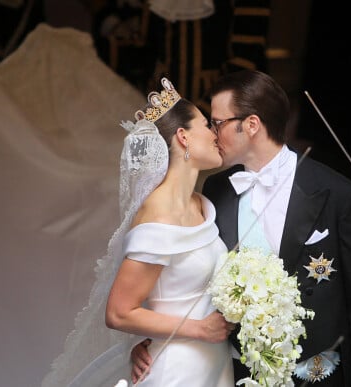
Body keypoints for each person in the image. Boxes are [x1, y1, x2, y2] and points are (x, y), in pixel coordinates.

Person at [131, 69, 351, 386]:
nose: (212, 133)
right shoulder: (216, 190)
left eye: (218, 123)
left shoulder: (338, 195)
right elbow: (189, 278)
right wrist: (158, 342)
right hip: (235, 371)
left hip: (317, 373)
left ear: (251, 125)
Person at [41, 77, 235, 387]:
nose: (215, 134)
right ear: (183, 137)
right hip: (177, 372)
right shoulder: (158, 214)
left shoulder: (202, 203)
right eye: (205, 125)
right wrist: (200, 329)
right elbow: (119, 312)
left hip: (214, 365)